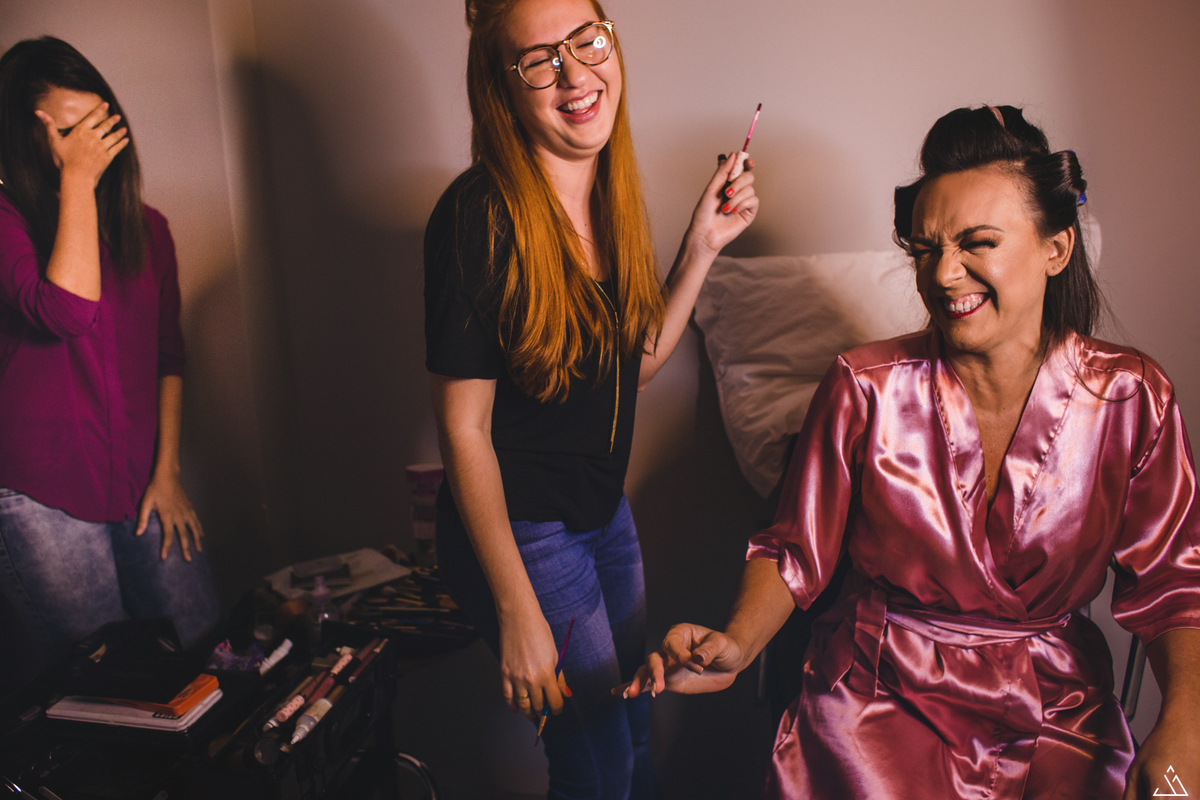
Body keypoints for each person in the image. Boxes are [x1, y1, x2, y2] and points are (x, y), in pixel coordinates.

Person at [623, 105, 1200, 799]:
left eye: (976, 242)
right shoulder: (863, 388)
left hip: (1058, 712)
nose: (944, 275)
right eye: (925, 250)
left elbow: (1175, 585)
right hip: (877, 702)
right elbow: (794, 550)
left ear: (1056, 248)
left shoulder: (1131, 397)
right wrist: (739, 645)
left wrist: (1186, 729)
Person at [423, 0, 758, 796]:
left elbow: (630, 365)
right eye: (540, 59)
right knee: (597, 763)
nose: (575, 73)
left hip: (602, 513)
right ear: (503, 87)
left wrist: (700, 246)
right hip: (527, 530)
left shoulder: (607, 194)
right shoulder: (477, 216)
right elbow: (463, 431)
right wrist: (516, 609)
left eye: (587, 40)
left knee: (633, 734)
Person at [0, 37, 220, 654]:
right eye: (71, 132)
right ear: (25, 135)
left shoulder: (147, 228)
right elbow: (65, 311)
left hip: (141, 478)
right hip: (40, 495)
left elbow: (168, 358)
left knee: (204, 648)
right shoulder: (5, 217)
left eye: (100, 126)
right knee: (103, 682)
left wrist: (168, 473)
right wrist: (76, 180)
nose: (92, 145)